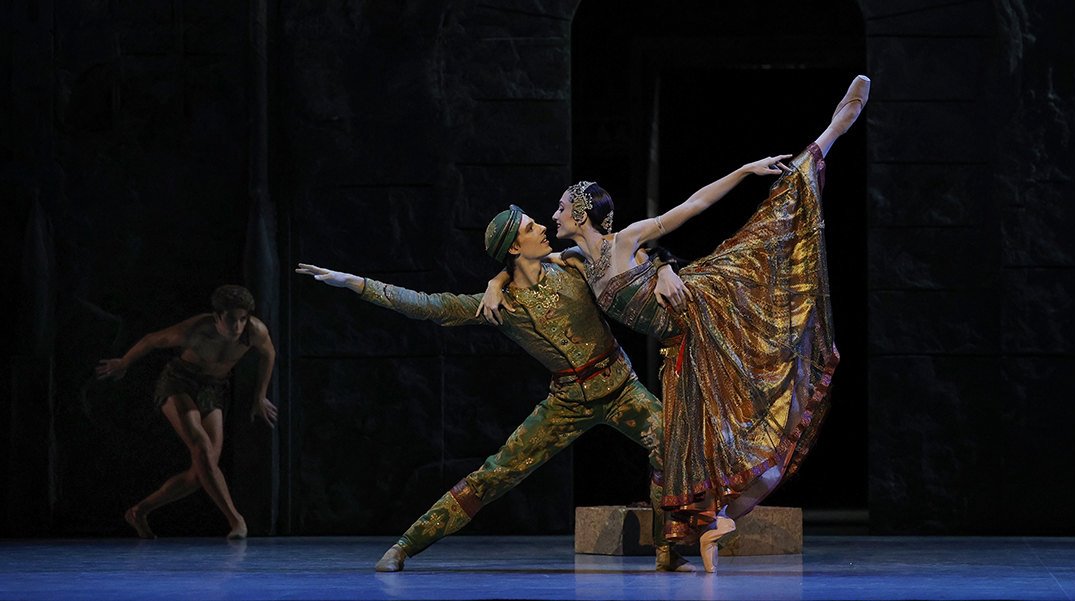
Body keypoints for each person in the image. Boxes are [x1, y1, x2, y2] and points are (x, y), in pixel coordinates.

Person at [482, 75, 869, 572]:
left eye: (559, 208)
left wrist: (744, 171)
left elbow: (692, 205)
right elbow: (523, 264)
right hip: (681, 346)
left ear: (580, 213)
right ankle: (714, 525)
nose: (552, 215)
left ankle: (827, 137)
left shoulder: (626, 241)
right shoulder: (575, 259)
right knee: (693, 442)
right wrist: (495, 284)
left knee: (764, 241)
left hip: (707, 304)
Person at [295, 206, 696, 572]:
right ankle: (405, 545)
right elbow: (428, 305)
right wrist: (356, 283)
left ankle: (667, 550)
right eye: (530, 227)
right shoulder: (500, 305)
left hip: (620, 386)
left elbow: (635, 252)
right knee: (494, 475)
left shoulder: (573, 265)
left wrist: (664, 268)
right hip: (568, 403)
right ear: (515, 246)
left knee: (671, 444)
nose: (542, 227)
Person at [96, 285, 278, 539]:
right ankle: (236, 520)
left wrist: (260, 396)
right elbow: (152, 340)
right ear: (216, 316)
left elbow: (269, 353)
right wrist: (123, 362)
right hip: (179, 382)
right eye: (231, 319)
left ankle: (139, 511)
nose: (237, 327)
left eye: (243, 319)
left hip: (212, 388)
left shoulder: (255, 332)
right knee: (202, 449)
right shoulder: (195, 330)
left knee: (203, 470)